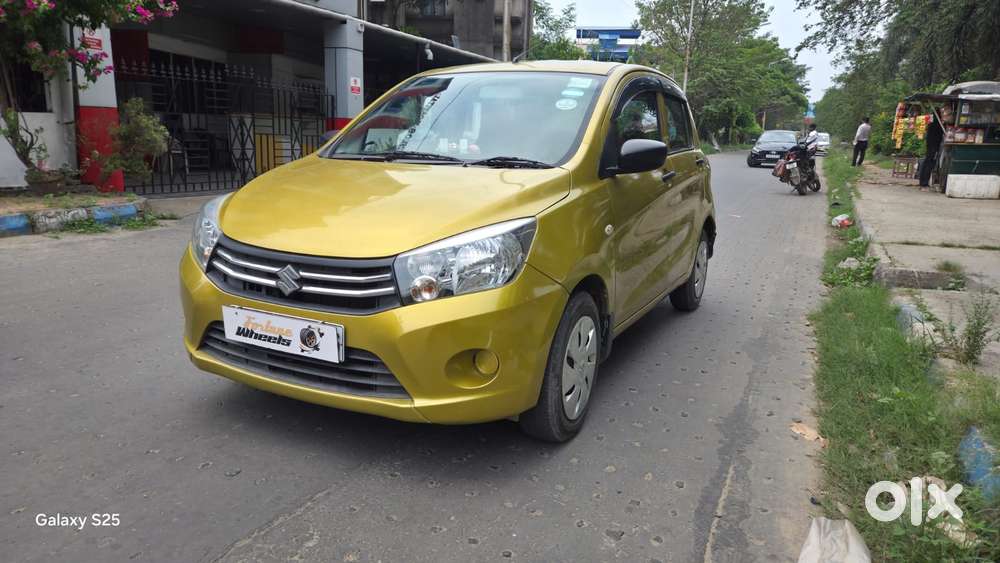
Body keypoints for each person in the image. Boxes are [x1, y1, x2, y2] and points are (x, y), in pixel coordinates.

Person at [919, 114, 944, 187]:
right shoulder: (937, 124)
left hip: (930, 144)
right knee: (930, 162)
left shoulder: (931, 123)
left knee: (927, 161)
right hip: (934, 145)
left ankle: (923, 181)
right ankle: (924, 182)